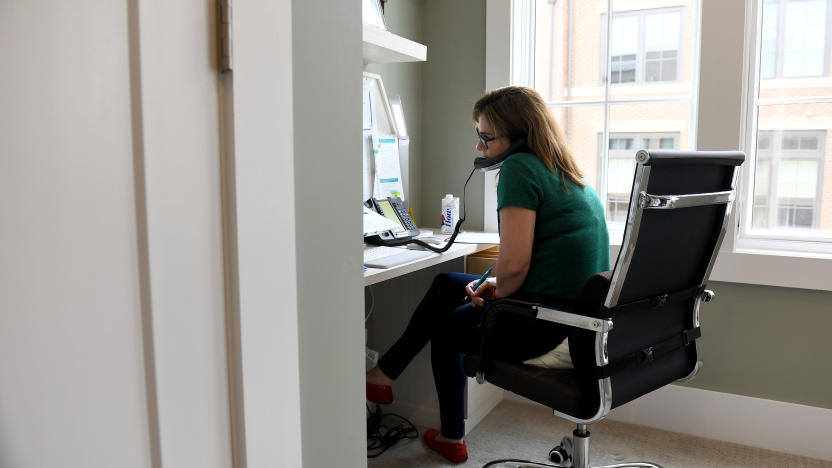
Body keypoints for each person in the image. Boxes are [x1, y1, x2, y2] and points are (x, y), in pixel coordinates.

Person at [365, 86, 610, 463]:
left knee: (447, 330)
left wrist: (500, 287)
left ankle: (451, 437)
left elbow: (515, 267)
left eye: (486, 138)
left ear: (518, 136)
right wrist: (498, 284)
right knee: (447, 284)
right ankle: (384, 374)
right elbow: (534, 260)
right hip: (573, 313)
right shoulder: (562, 170)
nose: (480, 148)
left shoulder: (519, 168)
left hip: (548, 321)